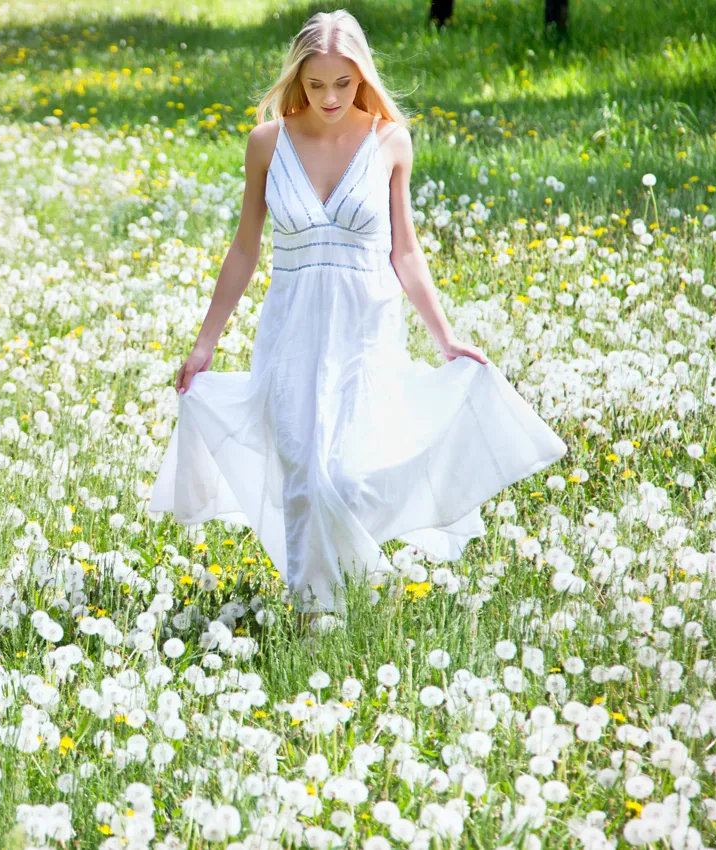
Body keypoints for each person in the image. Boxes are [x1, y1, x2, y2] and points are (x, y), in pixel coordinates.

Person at [147, 9, 567, 625]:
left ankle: (352, 590)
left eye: (343, 83)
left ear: (361, 76)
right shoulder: (267, 143)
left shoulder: (390, 140)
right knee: (301, 477)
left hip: (365, 329)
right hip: (290, 330)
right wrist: (206, 342)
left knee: (343, 477)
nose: (330, 97)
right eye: (316, 85)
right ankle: (319, 618)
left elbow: (405, 250)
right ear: (298, 79)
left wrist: (445, 337)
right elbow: (244, 248)